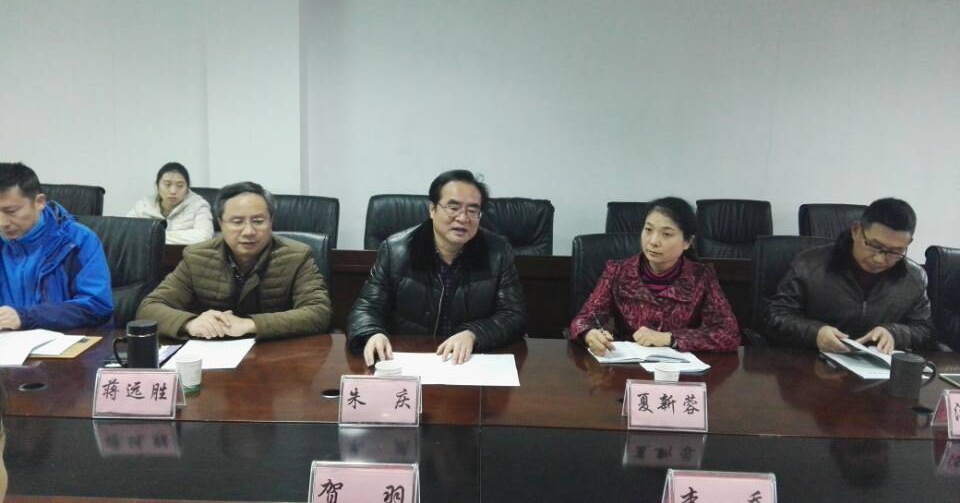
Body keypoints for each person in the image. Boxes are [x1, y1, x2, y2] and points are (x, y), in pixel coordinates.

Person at [348, 170, 527, 366]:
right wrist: (372, 333)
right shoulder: (395, 250)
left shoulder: (498, 252)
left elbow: (514, 315)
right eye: (453, 207)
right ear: (432, 209)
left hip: (469, 362)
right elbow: (366, 307)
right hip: (409, 359)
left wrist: (474, 333)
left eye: (473, 210)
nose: (463, 218)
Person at [136, 181, 331, 340]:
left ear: (271, 221)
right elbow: (149, 309)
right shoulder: (197, 257)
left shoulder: (297, 256)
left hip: (278, 356)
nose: (249, 231)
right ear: (221, 223)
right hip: (214, 356)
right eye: (237, 222)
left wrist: (249, 325)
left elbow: (319, 312)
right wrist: (190, 323)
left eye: (258, 221)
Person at [569, 197, 740, 354]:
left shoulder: (701, 277)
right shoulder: (617, 272)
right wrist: (589, 334)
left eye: (667, 234)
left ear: (687, 242)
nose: (653, 241)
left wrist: (670, 338)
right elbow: (583, 320)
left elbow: (729, 334)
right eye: (648, 230)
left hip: (679, 371)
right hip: (626, 366)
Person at [766, 198, 934, 353]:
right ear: (856, 231)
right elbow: (774, 317)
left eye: (895, 251)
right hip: (812, 364)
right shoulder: (809, 265)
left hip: (877, 370)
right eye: (874, 246)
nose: (880, 259)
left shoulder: (914, 278)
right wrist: (816, 333)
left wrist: (895, 334)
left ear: (908, 244)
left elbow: (926, 331)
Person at [0, 162, 113, 330]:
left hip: (65, 340)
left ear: (39, 202)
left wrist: (25, 317)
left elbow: (97, 306)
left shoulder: (78, 240)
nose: (2, 223)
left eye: (11, 211)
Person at [127, 162, 213, 245]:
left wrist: (153, 236)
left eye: (180, 186)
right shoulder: (144, 205)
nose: (173, 191)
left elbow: (204, 237)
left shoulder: (199, 205)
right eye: (167, 184)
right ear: (157, 185)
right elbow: (124, 231)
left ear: (187, 188)